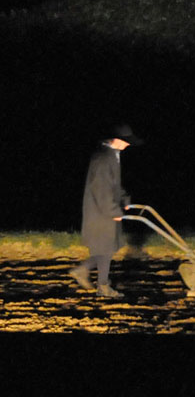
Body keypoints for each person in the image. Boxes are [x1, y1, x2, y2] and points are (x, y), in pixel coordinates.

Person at [69, 124, 143, 298]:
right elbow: (101, 190)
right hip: (100, 212)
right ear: (117, 140)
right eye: (126, 142)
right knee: (105, 249)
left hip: (103, 210)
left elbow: (114, 185)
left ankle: (84, 271)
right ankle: (101, 285)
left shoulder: (111, 156)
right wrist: (113, 211)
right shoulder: (103, 159)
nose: (128, 145)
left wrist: (124, 200)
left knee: (105, 249)